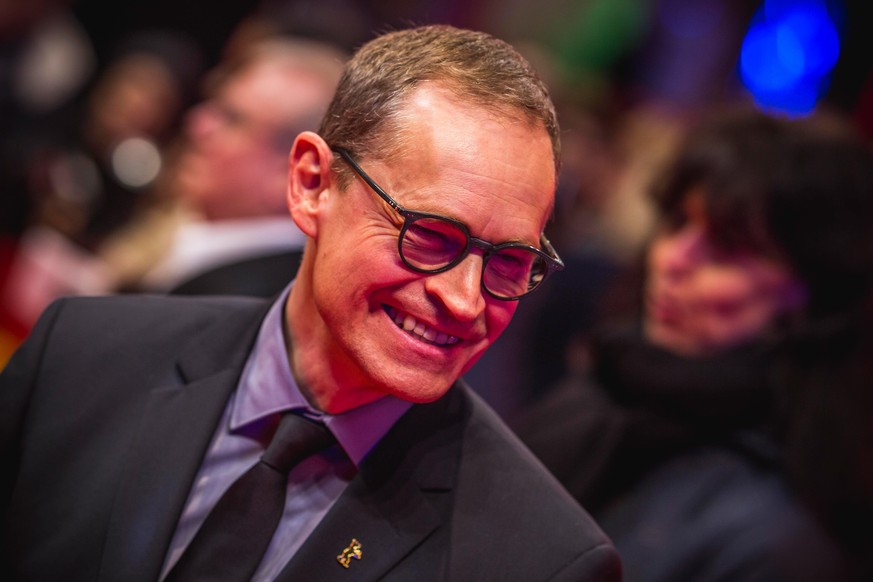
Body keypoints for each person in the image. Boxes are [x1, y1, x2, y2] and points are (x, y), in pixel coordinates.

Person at [0, 25, 621, 582]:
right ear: (312, 185)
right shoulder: (80, 355)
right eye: (429, 237)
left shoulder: (541, 561)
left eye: (510, 262)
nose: (464, 300)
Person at [514, 107, 873, 581]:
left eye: (724, 248)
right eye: (677, 222)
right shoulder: (608, 384)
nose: (673, 259)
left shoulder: (785, 538)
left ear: (811, 293)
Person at [101, 35, 347, 297]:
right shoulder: (183, 236)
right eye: (212, 104)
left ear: (302, 172)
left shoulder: (257, 298)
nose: (197, 125)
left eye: (231, 119)